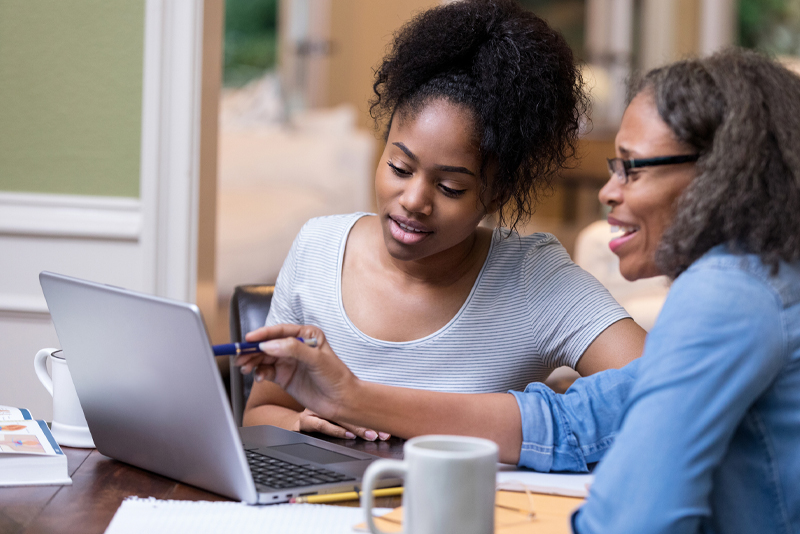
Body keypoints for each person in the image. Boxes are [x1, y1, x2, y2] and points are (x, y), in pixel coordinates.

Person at [237, 48, 800, 533]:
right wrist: (349, 399)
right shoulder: (752, 282)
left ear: (720, 173)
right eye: (400, 166)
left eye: (631, 169)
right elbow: (574, 422)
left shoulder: (726, 297)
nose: (607, 192)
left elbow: (632, 518)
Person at [244, 0, 644, 440]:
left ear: (497, 193)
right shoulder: (317, 249)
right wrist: (300, 423)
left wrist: (553, 405)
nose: (414, 200)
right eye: (399, 167)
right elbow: (262, 412)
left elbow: (662, 391)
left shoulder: (532, 281)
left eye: (451, 188)